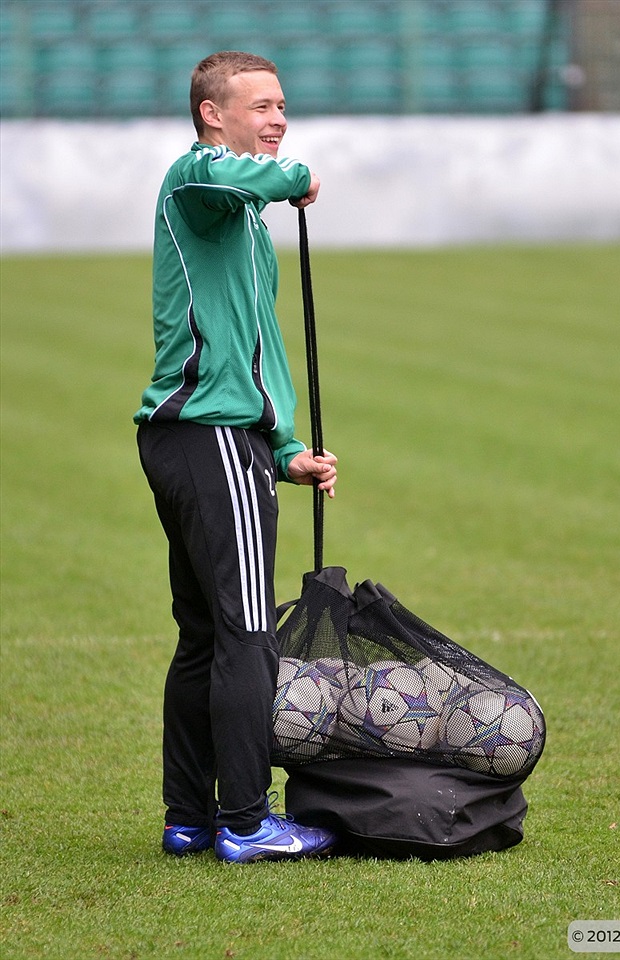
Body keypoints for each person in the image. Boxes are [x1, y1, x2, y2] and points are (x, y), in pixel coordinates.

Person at [134, 51, 338, 864]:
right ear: (213, 113)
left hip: (211, 436)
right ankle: (249, 822)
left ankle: (189, 817)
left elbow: (262, 345)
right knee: (250, 634)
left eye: (283, 104)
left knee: (204, 635)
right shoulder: (196, 176)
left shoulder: (244, 219)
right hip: (209, 437)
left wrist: (285, 445)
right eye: (260, 105)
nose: (278, 117)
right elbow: (248, 178)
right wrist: (295, 174)